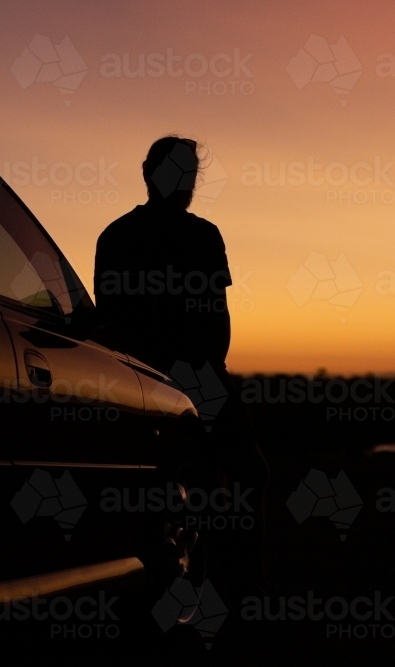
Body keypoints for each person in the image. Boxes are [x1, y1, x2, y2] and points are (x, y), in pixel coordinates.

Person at [94, 136, 268, 593]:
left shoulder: (116, 236)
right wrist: (209, 376)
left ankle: (210, 569)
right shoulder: (200, 236)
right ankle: (231, 575)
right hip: (180, 373)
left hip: (139, 373)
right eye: (182, 172)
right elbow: (216, 315)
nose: (185, 182)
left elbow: (108, 316)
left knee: (197, 480)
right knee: (245, 472)